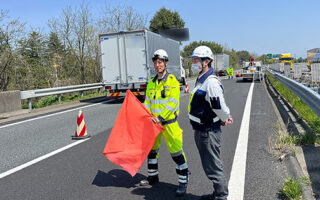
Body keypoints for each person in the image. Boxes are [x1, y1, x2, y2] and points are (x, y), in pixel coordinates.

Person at [140, 49, 189, 197]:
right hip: (154, 124)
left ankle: (183, 182)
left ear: (166, 63)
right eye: (155, 62)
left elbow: (172, 102)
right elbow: (148, 101)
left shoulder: (172, 81)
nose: (157, 65)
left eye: (160, 62)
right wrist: (146, 115)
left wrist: (161, 117)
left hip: (168, 123)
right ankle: (153, 177)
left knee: (177, 153)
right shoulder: (151, 82)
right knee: (152, 151)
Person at [188, 46, 233, 200]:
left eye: (196, 60)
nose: (193, 63)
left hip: (208, 131)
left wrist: (225, 117)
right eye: (193, 59)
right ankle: (217, 193)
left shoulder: (211, 82)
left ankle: (221, 196)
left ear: (206, 61)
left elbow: (218, 105)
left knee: (213, 167)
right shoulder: (202, 79)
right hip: (202, 129)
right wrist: (223, 117)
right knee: (210, 165)